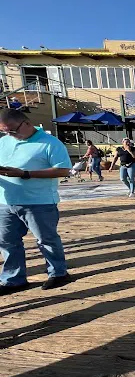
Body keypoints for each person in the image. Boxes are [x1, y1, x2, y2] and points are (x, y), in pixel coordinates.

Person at [0, 108, 72, 295]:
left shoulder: (50, 143)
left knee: (46, 239)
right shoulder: (4, 141)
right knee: (7, 242)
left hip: (39, 202)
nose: (10, 134)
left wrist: (25, 174)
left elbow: (63, 171)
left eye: (12, 130)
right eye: (5, 131)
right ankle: (13, 279)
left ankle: (58, 273)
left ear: (26, 123)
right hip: (5, 201)